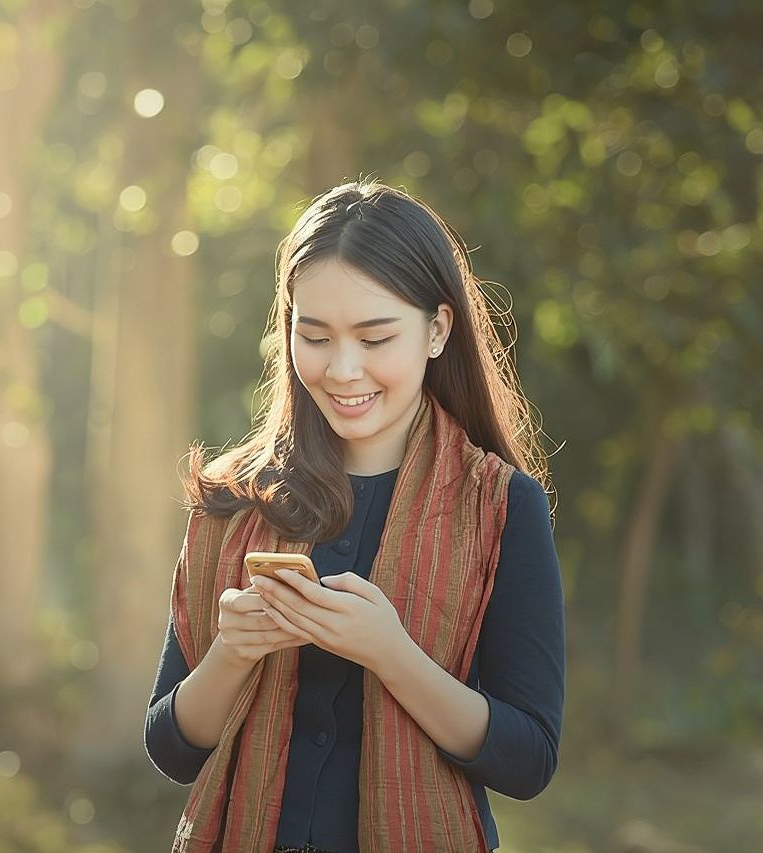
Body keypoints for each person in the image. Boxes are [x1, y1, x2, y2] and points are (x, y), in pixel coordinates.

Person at [143, 179, 565, 853]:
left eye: (374, 338)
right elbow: (172, 747)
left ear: (436, 329)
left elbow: (529, 759)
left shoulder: (500, 506)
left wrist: (391, 654)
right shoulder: (234, 501)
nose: (343, 369)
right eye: (315, 336)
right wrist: (233, 651)